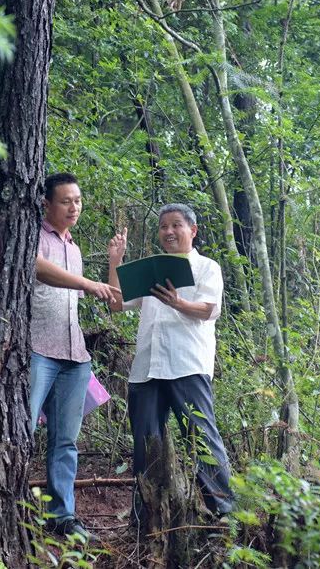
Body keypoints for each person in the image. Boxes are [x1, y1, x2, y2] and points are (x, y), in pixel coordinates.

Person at [106, 203, 235, 526]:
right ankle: (147, 515)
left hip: (187, 363)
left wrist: (178, 302)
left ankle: (223, 510)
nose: (169, 231)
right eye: (164, 226)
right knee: (146, 441)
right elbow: (118, 302)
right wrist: (115, 262)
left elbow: (209, 309)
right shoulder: (151, 269)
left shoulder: (207, 267)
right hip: (147, 366)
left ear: (192, 230)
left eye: (176, 225)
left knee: (200, 434)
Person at [30, 172, 119, 541]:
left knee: (65, 440)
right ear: (48, 204)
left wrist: (115, 261)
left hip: (74, 354)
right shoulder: (33, 235)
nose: (74, 207)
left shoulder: (75, 248)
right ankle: (12, 509)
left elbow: (112, 299)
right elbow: (37, 268)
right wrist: (86, 283)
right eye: (66, 201)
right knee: (19, 432)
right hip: (37, 349)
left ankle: (62, 517)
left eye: (78, 200)